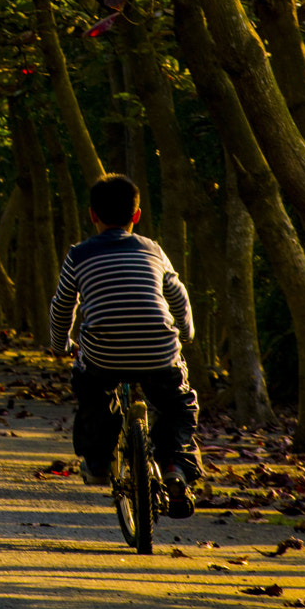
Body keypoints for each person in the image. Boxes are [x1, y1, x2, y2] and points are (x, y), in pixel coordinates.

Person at [48, 173, 201, 519]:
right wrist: (186, 333)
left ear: (92, 215)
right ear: (137, 215)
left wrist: (60, 344)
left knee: (93, 393)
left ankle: (99, 462)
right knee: (178, 407)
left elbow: (62, 305)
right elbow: (177, 294)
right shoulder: (153, 250)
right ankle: (176, 465)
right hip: (160, 351)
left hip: (103, 354)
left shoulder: (79, 254)